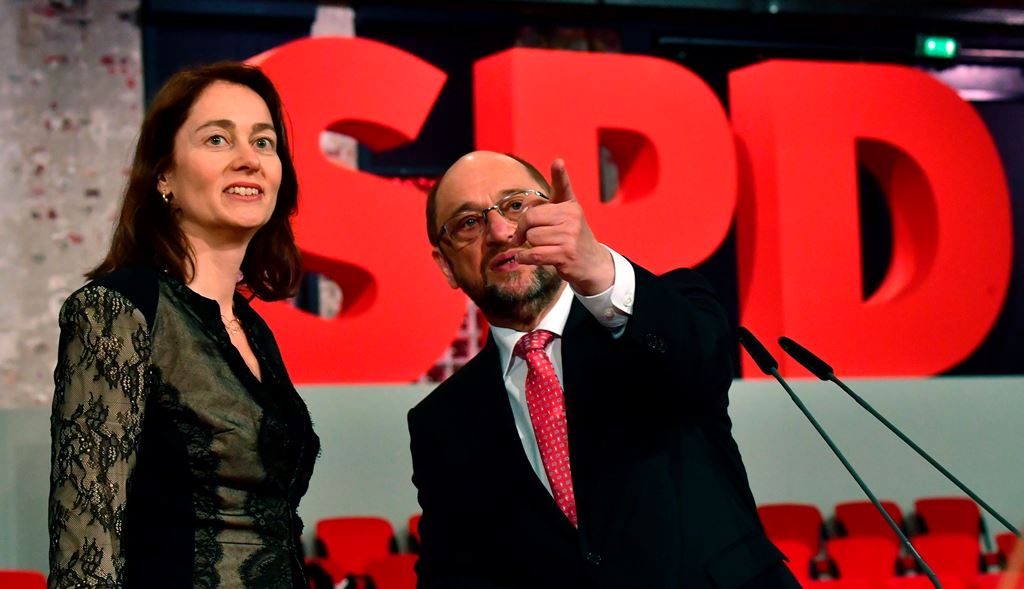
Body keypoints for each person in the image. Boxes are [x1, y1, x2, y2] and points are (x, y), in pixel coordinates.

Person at [408, 151, 800, 589]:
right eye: (468, 223)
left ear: (555, 214)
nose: (500, 232)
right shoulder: (440, 421)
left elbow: (703, 366)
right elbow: (453, 571)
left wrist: (596, 268)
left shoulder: (662, 310)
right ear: (445, 265)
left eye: (516, 206)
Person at [48, 62, 319, 588]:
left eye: (264, 143)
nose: (249, 160)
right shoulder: (116, 310)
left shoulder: (252, 330)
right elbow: (85, 552)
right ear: (165, 175)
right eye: (218, 139)